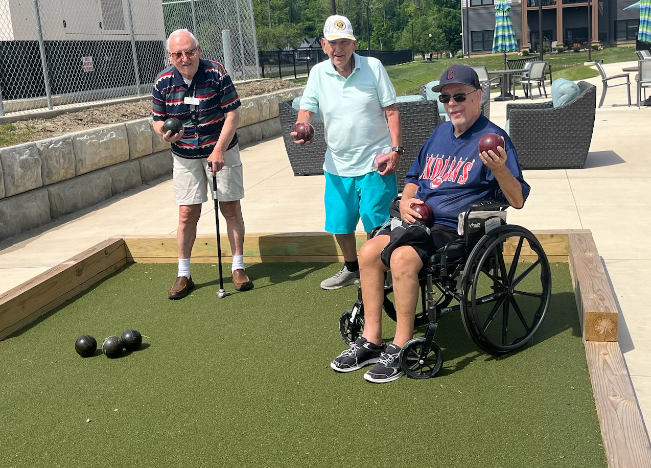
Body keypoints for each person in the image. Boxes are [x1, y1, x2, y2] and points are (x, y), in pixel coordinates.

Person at [330, 64, 531, 383]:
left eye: (460, 96)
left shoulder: (494, 139)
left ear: (478, 96)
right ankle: (371, 338)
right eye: (446, 98)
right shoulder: (439, 133)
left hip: (457, 230)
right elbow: (413, 177)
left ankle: (401, 344)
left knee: (402, 257)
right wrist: (407, 200)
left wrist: (502, 169)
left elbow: (517, 199)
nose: (452, 103)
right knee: (368, 252)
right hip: (419, 223)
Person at [292, 15, 403, 291]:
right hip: (337, 165)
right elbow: (307, 109)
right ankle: (352, 268)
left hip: (375, 161)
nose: (338, 48)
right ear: (323, 45)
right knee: (340, 224)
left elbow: (391, 110)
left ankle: (380, 269)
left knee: (376, 222)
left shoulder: (374, 67)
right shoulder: (318, 73)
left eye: (344, 42)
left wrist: (396, 149)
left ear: (353, 44)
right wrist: (301, 127)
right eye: (333, 43)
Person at [152, 29, 253, 300]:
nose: (185, 58)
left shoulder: (216, 73)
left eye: (190, 51)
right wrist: (165, 132)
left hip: (221, 149)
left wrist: (219, 150)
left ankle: (238, 267)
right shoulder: (163, 82)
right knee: (187, 213)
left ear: (198, 51)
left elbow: (233, 114)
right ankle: (183, 273)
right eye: (178, 53)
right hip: (184, 155)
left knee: (230, 208)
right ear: (170, 56)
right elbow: (157, 120)